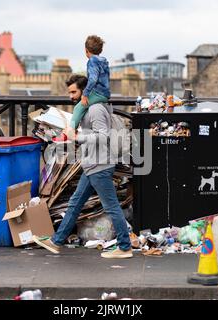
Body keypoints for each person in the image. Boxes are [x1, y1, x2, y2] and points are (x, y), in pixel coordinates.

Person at [33, 74, 132, 259]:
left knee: (111, 206)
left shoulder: (95, 110)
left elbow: (103, 136)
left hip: (100, 165)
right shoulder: (87, 109)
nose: (70, 96)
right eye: (69, 92)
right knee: (75, 203)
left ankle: (125, 247)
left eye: (74, 91)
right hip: (91, 164)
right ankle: (56, 241)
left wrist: (77, 137)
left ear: (84, 91)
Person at [53, 35, 111, 143]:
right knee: (83, 108)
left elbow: (93, 79)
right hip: (105, 93)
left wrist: (85, 94)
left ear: (86, 50)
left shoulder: (92, 61)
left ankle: (68, 133)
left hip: (98, 93)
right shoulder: (104, 61)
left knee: (78, 108)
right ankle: (71, 131)